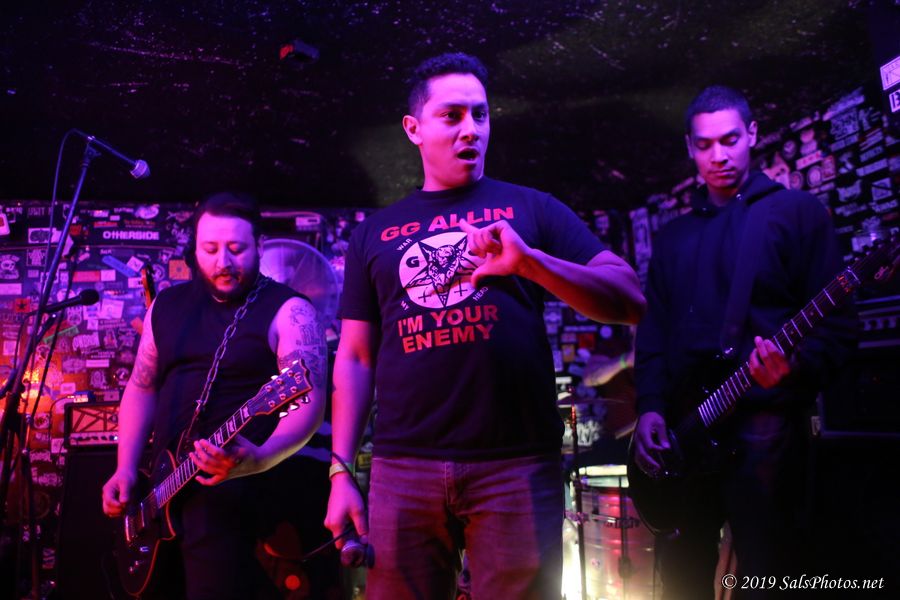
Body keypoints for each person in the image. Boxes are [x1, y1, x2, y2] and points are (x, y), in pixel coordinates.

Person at [324, 52, 646, 600]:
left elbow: (630, 299)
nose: (470, 128)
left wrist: (530, 263)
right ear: (414, 129)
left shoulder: (532, 209)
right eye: (452, 115)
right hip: (403, 467)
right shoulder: (374, 233)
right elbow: (354, 358)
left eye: (480, 114)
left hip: (516, 464)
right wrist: (340, 473)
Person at [632, 86, 856, 599]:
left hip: (766, 429)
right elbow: (654, 332)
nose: (719, 155)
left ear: (752, 134)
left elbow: (840, 329)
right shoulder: (673, 238)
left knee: (769, 572)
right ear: (690, 147)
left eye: (730, 140)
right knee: (681, 577)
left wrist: (794, 369)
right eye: (705, 144)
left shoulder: (797, 213)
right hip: (688, 432)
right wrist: (649, 407)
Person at [101, 191, 327, 599]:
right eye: (210, 249)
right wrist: (126, 468)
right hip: (160, 494)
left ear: (259, 246)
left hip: (236, 495)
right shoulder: (166, 305)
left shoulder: (290, 311)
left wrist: (261, 457)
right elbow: (141, 386)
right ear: (195, 250)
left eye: (236, 249)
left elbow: (307, 404)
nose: (223, 261)